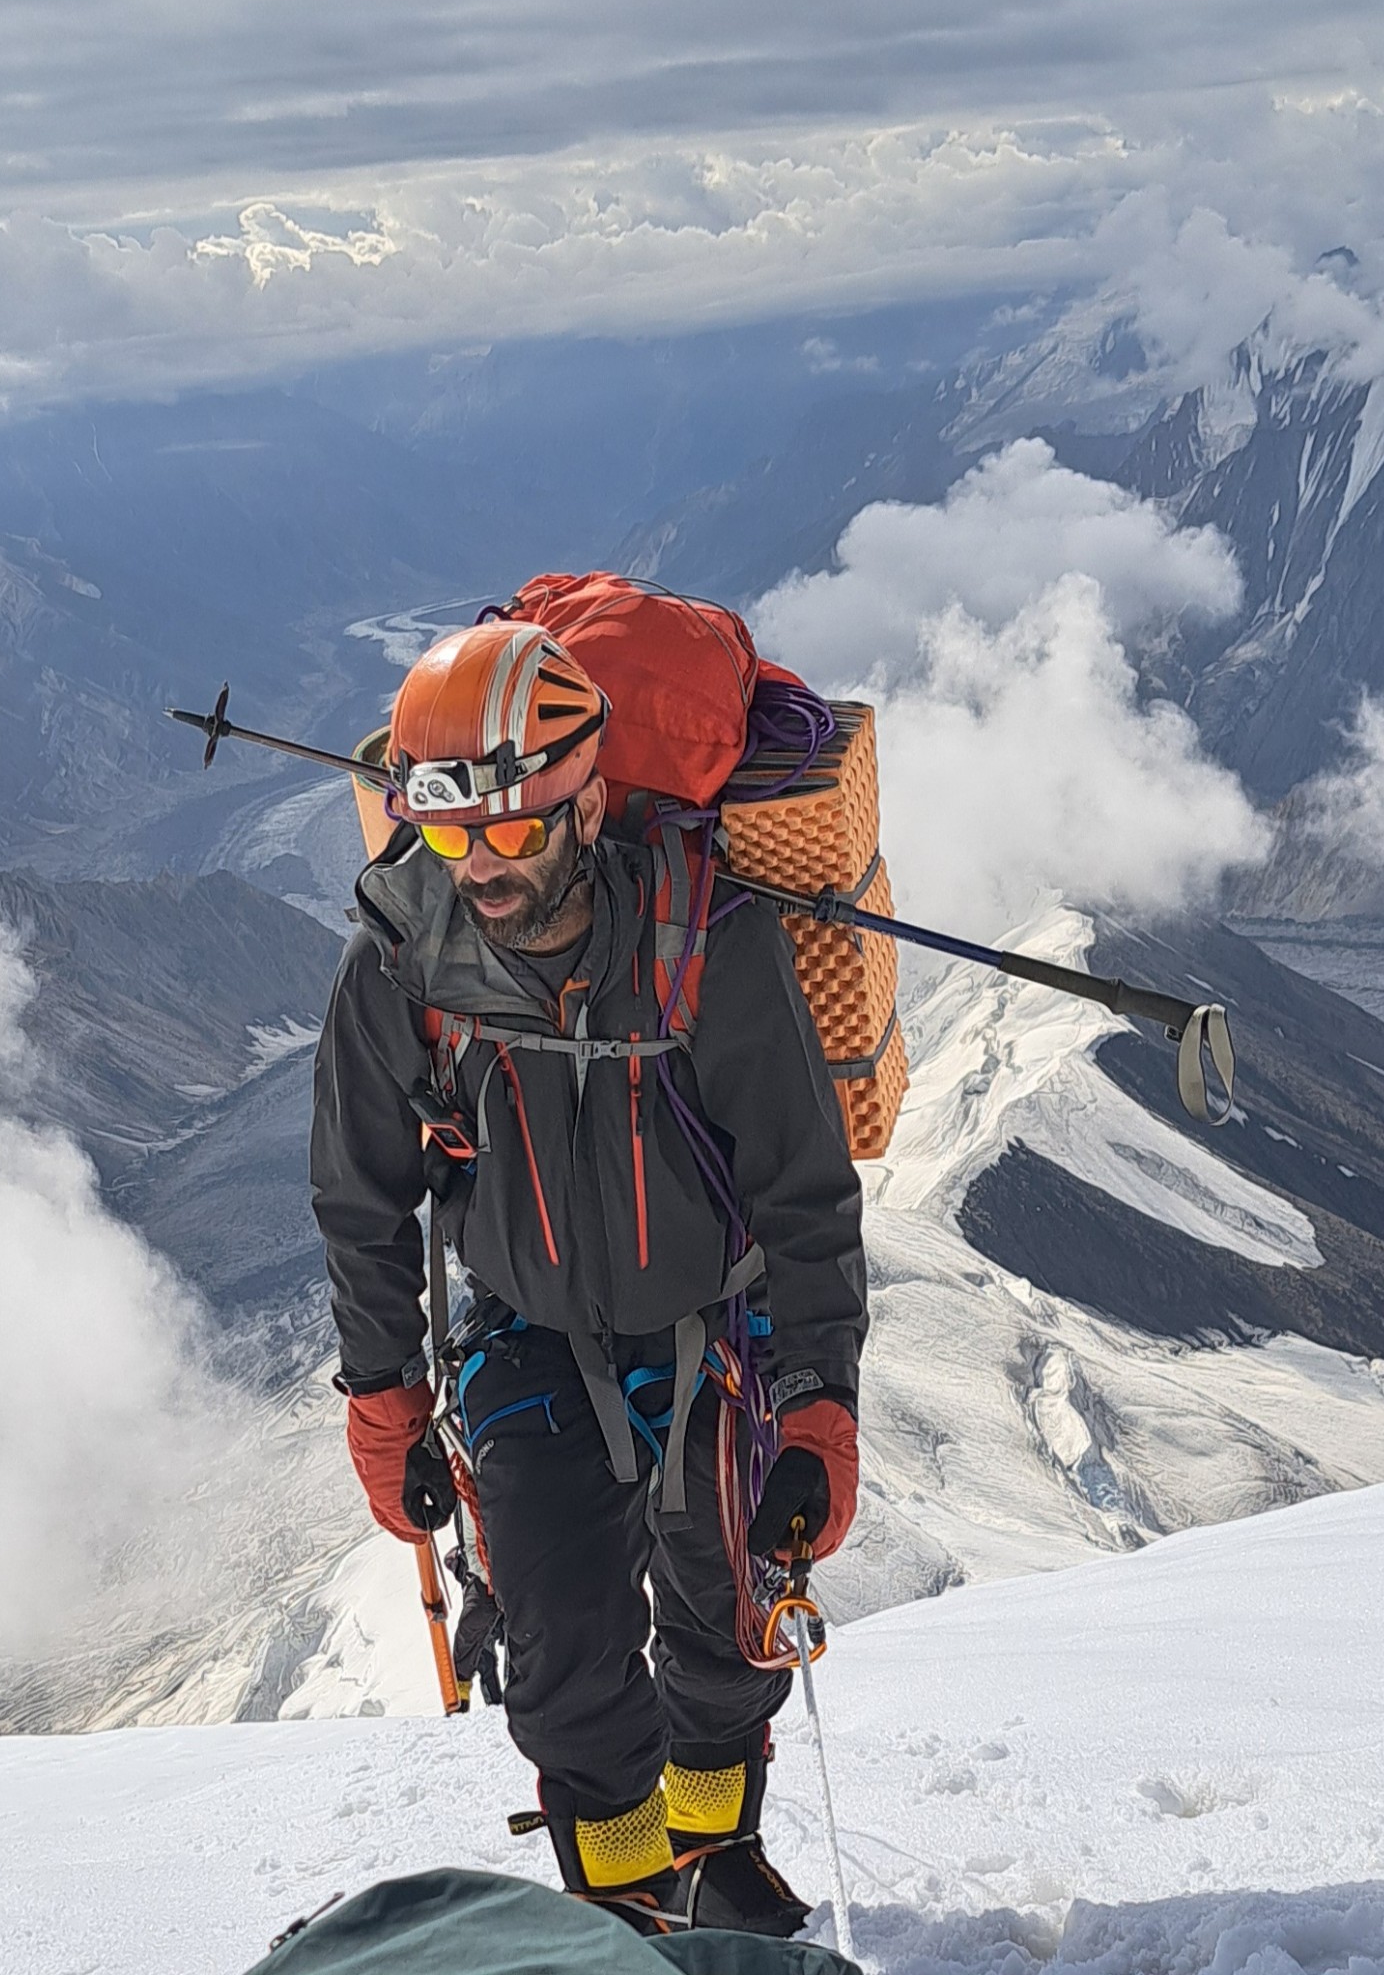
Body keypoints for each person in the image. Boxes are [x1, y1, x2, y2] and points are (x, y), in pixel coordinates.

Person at [310, 620, 869, 1938]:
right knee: (562, 1666)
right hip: (525, 1328)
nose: (481, 866)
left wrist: (817, 1401)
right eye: (452, 835)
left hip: (711, 1324)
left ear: (592, 797)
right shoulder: (401, 959)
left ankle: (711, 1850)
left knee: (727, 1629)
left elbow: (800, 1188)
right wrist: (380, 1392)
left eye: (513, 829)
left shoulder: (703, 943)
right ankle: (627, 1912)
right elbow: (359, 1190)